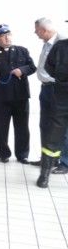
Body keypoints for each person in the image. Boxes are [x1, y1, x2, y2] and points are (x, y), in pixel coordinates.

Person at [0, 24, 36, 163]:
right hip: (3, 96)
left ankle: (22, 155)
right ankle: (4, 154)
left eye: (9, 35)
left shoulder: (22, 51)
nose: (7, 38)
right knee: (1, 127)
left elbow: (32, 67)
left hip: (21, 96)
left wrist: (22, 70)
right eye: (3, 36)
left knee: (22, 127)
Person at [31, 18, 62, 168]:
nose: (35, 33)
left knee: (61, 126)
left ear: (44, 30)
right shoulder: (46, 43)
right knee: (45, 125)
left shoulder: (62, 42)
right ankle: (47, 159)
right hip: (46, 89)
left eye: (36, 30)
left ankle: (64, 162)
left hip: (58, 90)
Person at [37, 37, 68, 187]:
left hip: (61, 93)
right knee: (53, 136)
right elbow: (48, 66)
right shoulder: (60, 46)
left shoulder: (60, 45)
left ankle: (45, 175)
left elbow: (50, 67)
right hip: (62, 97)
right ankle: (44, 175)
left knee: (53, 135)